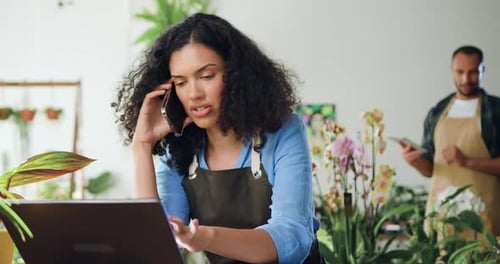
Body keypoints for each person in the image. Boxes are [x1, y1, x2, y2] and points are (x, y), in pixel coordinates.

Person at [112, 13, 322, 263]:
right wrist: (142, 145)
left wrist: (205, 237)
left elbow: (292, 238)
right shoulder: (179, 150)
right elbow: (157, 246)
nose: (193, 94)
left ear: (236, 75)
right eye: (180, 83)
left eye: (206, 76)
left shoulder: (284, 131)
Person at [400, 45, 500, 236]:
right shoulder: (437, 112)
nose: (466, 79)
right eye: (460, 72)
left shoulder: (496, 111)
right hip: (444, 216)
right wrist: (415, 161)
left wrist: (466, 161)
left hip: (486, 215)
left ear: (483, 70)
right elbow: (430, 170)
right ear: (451, 71)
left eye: (473, 72)